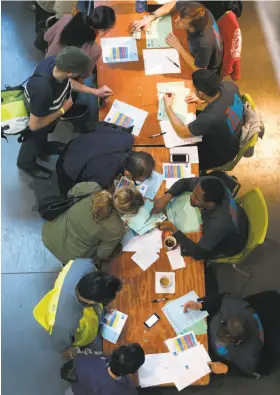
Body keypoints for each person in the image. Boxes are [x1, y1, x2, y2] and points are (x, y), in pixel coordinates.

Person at [17, 46, 113, 180]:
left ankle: (44, 148)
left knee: (43, 136)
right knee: (33, 140)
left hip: (48, 111)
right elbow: (34, 126)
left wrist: (95, 92)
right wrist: (63, 109)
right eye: (78, 73)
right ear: (70, 72)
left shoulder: (54, 63)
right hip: (38, 118)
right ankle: (26, 163)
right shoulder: (44, 91)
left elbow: (69, 83)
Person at [33, 258, 122, 354]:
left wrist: (102, 306)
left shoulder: (85, 265)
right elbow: (60, 346)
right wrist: (73, 353)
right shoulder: (65, 323)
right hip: (59, 315)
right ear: (92, 302)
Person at [42, 182, 144, 265]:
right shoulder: (116, 228)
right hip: (69, 255)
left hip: (51, 232)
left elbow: (70, 193)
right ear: (126, 213)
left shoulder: (92, 188)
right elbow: (102, 254)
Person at [164, 69, 244, 170]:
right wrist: (201, 99)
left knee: (173, 155)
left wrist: (168, 107)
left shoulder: (210, 117)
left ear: (201, 93)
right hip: (230, 131)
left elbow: (182, 132)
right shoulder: (229, 85)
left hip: (220, 153)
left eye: (194, 89)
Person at [154, 176, 248, 260]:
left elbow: (199, 253)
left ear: (210, 203)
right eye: (193, 192)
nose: (191, 196)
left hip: (229, 243)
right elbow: (185, 182)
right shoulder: (211, 183)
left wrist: (173, 228)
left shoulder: (218, 224)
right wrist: (167, 196)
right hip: (236, 216)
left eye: (196, 198)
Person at [56, 122, 155, 195]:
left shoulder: (127, 138)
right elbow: (88, 190)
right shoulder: (105, 177)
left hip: (77, 143)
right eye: (136, 180)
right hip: (66, 167)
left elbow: (100, 126)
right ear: (128, 173)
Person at [183, 293, 267, 377]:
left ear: (237, 342)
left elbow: (248, 373)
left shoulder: (250, 355)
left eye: (224, 339)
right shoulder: (235, 306)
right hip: (204, 325)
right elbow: (220, 298)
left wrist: (227, 369)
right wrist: (200, 305)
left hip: (210, 352)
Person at [131, 1, 223, 74]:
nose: (176, 20)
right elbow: (174, 4)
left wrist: (179, 47)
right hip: (196, 50)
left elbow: (200, 70)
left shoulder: (203, 43)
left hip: (206, 69)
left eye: (181, 22)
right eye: (179, 16)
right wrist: (150, 17)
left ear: (191, 28)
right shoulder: (197, 9)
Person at [44, 7, 116, 79]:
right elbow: (84, 75)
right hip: (61, 79)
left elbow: (46, 37)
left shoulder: (67, 18)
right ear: (102, 30)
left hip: (46, 64)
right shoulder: (95, 50)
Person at [69, 343, 145, 395]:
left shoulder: (88, 360)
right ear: (131, 372)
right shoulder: (126, 390)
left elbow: (77, 359)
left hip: (78, 390)